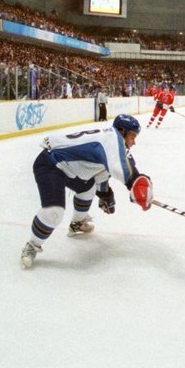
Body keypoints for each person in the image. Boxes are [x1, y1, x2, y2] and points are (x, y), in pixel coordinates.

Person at [21, 114, 153, 269]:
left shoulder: (113, 145)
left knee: (88, 188)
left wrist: (105, 195)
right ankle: (32, 245)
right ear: (122, 131)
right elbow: (125, 169)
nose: (134, 142)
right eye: (132, 136)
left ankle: (77, 223)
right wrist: (136, 182)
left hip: (70, 169)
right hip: (50, 164)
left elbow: (103, 173)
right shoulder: (112, 139)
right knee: (54, 212)